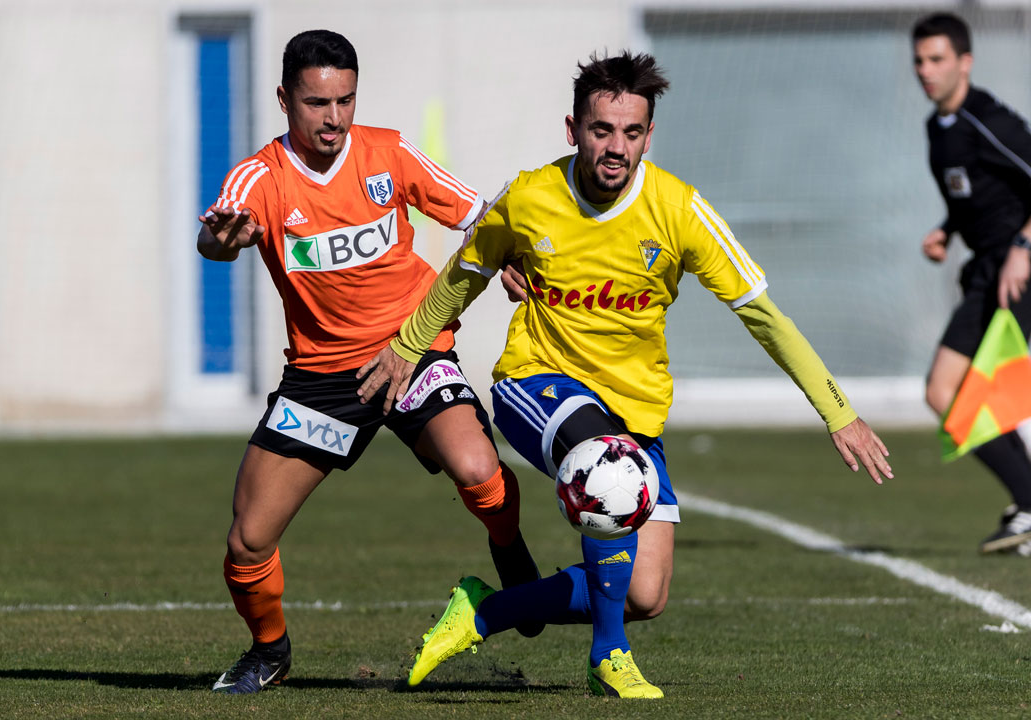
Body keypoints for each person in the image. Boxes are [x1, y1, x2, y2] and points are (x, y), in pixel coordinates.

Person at [356, 50, 893, 698]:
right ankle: (608, 657)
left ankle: (483, 610)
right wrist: (406, 349)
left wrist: (838, 411)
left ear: (649, 135)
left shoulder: (679, 210)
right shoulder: (529, 198)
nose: (616, 147)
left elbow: (763, 315)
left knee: (644, 592)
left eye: (631, 133)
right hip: (536, 383)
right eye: (601, 130)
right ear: (572, 128)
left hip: (633, 410)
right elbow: (460, 280)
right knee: (606, 468)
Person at [197, 29, 540, 694]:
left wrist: (512, 258)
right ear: (284, 100)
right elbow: (217, 236)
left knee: (478, 470)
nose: (333, 118)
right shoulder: (258, 179)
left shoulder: (387, 153)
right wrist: (220, 240)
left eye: (345, 101)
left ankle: (507, 544)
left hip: (411, 351)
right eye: (316, 103)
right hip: (323, 381)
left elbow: (480, 214)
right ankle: (269, 651)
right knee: (246, 544)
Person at [911, 13, 1031, 554]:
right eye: (919, 60)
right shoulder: (937, 129)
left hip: (1017, 273)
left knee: (976, 393)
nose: (925, 71)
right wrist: (947, 229)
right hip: (986, 272)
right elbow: (977, 195)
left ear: (965, 62)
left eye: (937, 59)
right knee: (944, 393)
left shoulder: (990, 120)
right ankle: (1028, 501)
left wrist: (1022, 250)